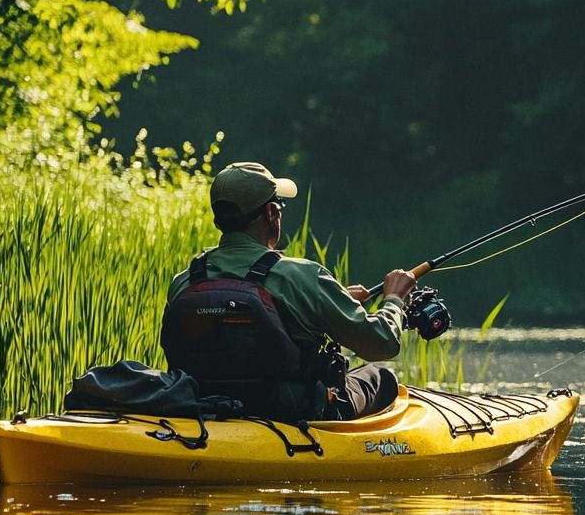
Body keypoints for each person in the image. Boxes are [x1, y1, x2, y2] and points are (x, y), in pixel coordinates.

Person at [160, 161, 417, 421]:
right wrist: (394, 299)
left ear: (219, 219)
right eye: (279, 206)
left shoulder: (185, 280)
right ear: (271, 212)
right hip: (289, 412)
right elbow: (381, 343)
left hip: (200, 407)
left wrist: (336, 301)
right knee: (381, 377)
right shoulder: (302, 275)